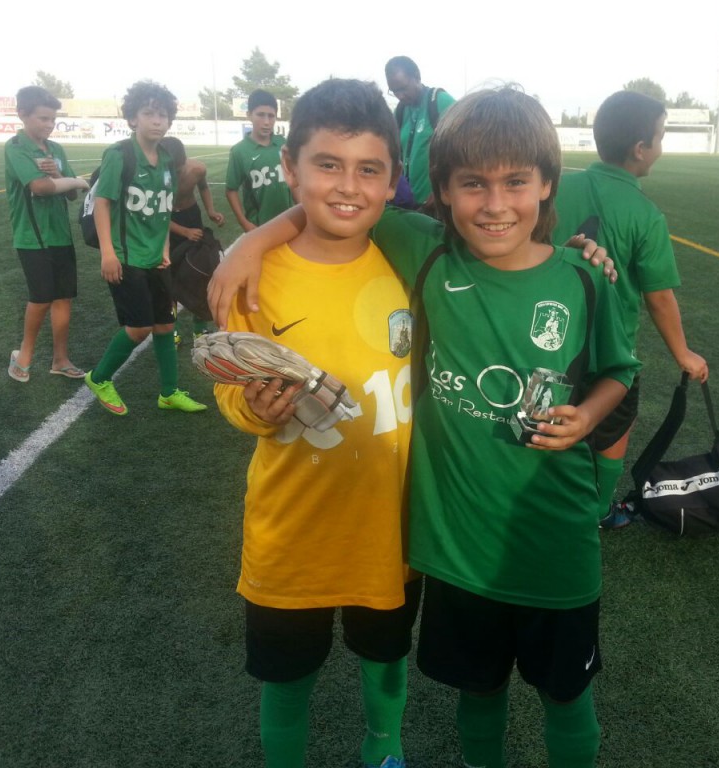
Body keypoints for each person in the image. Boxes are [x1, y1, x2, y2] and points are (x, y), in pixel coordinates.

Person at [209, 86, 639, 768]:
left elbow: (620, 371)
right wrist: (253, 239)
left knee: (548, 693)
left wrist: (586, 414)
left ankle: (393, 749)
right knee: (464, 689)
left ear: (547, 183)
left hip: (495, 542)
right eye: (472, 184)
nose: (495, 204)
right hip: (407, 546)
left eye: (516, 183)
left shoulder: (563, 275)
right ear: (440, 190)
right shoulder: (418, 253)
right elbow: (337, 205)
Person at [213, 78, 419, 768]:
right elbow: (231, 384)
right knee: (287, 677)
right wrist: (254, 409)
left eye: (369, 169)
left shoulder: (407, 260)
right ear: (290, 169)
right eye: (327, 164)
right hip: (291, 528)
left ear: (392, 181)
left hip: (388, 525)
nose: (348, 187)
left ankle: (382, 752)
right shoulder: (256, 275)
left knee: (385, 661)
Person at [552, 90, 708, 529]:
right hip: (609, 350)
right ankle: (599, 510)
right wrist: (684, 354)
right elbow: (659, 296)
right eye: (660, 136)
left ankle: (539, 502)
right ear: (641, 149)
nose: (661, 146)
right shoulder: (645, 214)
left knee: (549, 418)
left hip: (548, 334)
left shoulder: (557, 184)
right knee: (612, 430)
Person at [84, 80, 206, 416]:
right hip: (126, 257)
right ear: (133, 118)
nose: (156, 120)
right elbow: (103, 204)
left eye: (162, 114)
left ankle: (168, 392)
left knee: (166, 325)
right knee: (138, 328)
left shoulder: (167, 159)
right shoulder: (119, 154)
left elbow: (163, 208)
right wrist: (108, 253)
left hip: (156, 257)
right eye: (148, 113)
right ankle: (99, 377)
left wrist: (165, 247)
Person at [4, 85, 90, 382]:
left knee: (63, 297)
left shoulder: (57, 150)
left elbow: (70, 197)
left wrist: (59, 175)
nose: (48, 125)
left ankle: (60, 359)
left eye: (52, 120)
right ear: (23, 115)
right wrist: (76, 181)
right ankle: (24, 356)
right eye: (42, 118)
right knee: (41, 298)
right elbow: (38, 189)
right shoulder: (16, 147)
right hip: (32, 237)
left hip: (60, 236)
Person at [160, 135, 225, 341]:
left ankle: (200, 327)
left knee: (200, 273)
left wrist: (211, 210)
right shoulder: (154, 176)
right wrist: (184, 231)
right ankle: (173, 331)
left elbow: (203, 187)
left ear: (184, 162)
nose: (174, 175)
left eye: (177, 171)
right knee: (167, 276)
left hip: (191, 216)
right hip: (165, 223)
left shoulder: (197, 169)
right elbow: (156, 215)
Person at [384, 56, 455, 210]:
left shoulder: (439, 101)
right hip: (408, 203)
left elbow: (462, 150)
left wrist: (442, 190)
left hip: (436, 204)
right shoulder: (401, 111)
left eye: (403, 88)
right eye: (395, 91)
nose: (400, 96)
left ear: (416, 76)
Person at [225, 89, 294, 232]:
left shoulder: (283, 144)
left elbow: (294, 182)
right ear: (249, 115)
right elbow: (231, 190)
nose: (267, 122)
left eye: (271, 116)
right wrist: (243, 222)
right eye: (261, 115)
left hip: (289, 221)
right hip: (259, 225)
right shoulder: (239, 151)